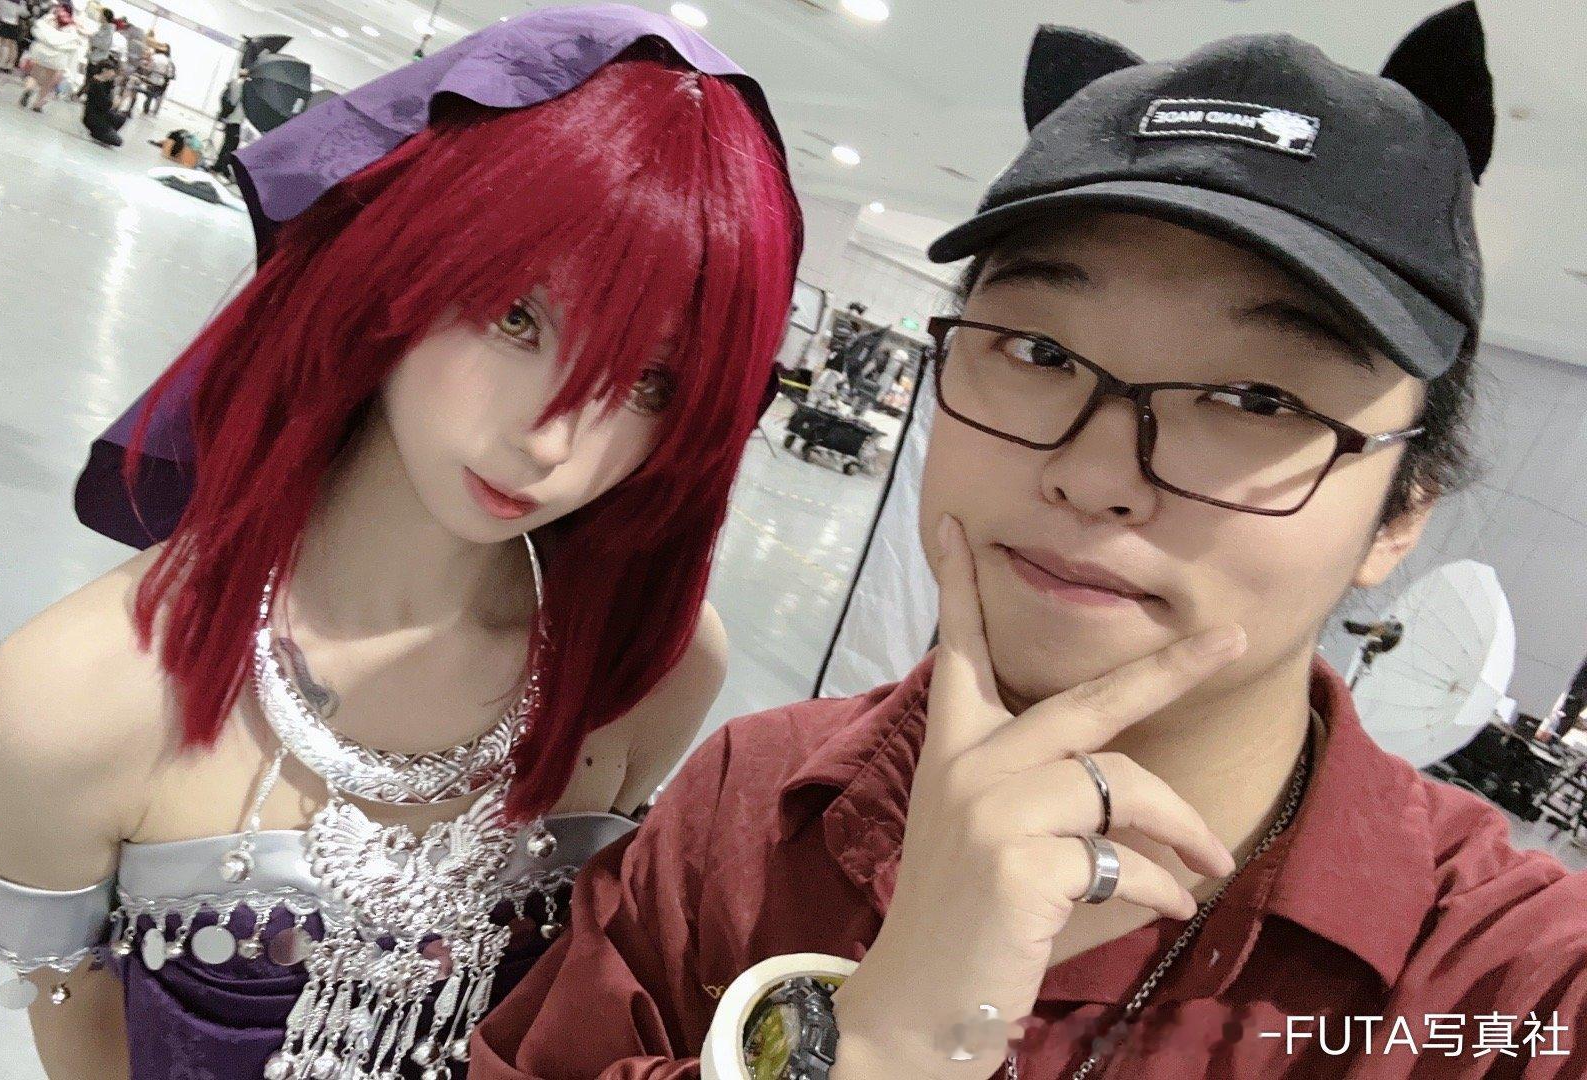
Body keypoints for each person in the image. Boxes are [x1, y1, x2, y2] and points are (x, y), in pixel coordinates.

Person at [472, 6, 1587, 1079]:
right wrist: (877, 1050)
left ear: (1403, 508)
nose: (1093, 476)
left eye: (1255, 400)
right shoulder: (751, 801)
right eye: (1041, 354)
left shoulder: (1515, 985)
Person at [0, 7, 801, 1080]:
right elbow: (84, 1042)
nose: (554, 442)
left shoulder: (652, 668)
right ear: (399, 262)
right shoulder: (73, 700)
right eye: (517, 318)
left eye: (650, 384)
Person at [19, 2, 79, 111]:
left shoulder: (49, 18)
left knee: (34, 76)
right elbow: (73, 45)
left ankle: (29, 89)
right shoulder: (71, 26)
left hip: (40, 53)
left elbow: (35, 30)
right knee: (48, 83)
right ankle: (38, 105)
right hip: (57, 58)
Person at [79, 54, 124, 146]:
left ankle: (106, 132)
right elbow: (105, 103)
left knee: (120, 118)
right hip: (94, 116)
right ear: (104, 70)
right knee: (118, 141)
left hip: (102, 114)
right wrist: (114, 103)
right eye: (111, 71)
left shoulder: (106, 83)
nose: (113, 74)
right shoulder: (96, 84)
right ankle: (98, 133)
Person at [211, 68, 246, 176]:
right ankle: (221, 167)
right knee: (231, 145)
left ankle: (220, 166)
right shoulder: (243, 86)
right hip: (235, 119)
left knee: (228, 144)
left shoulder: (233, 83)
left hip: (229, 118)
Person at [0, 0, 23, 70]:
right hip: (13, 22)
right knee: (7, 44)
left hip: (0, 18)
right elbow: (21, 11)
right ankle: (2, 64)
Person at [139, 43, 173, 117]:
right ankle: (154, 111)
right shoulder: (168, 60)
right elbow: (169, 74)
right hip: (161, 80)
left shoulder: (154, 57)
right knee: (156, 95)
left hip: (152, 78)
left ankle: (145, 110)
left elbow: (149, 68)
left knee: (149, 95)